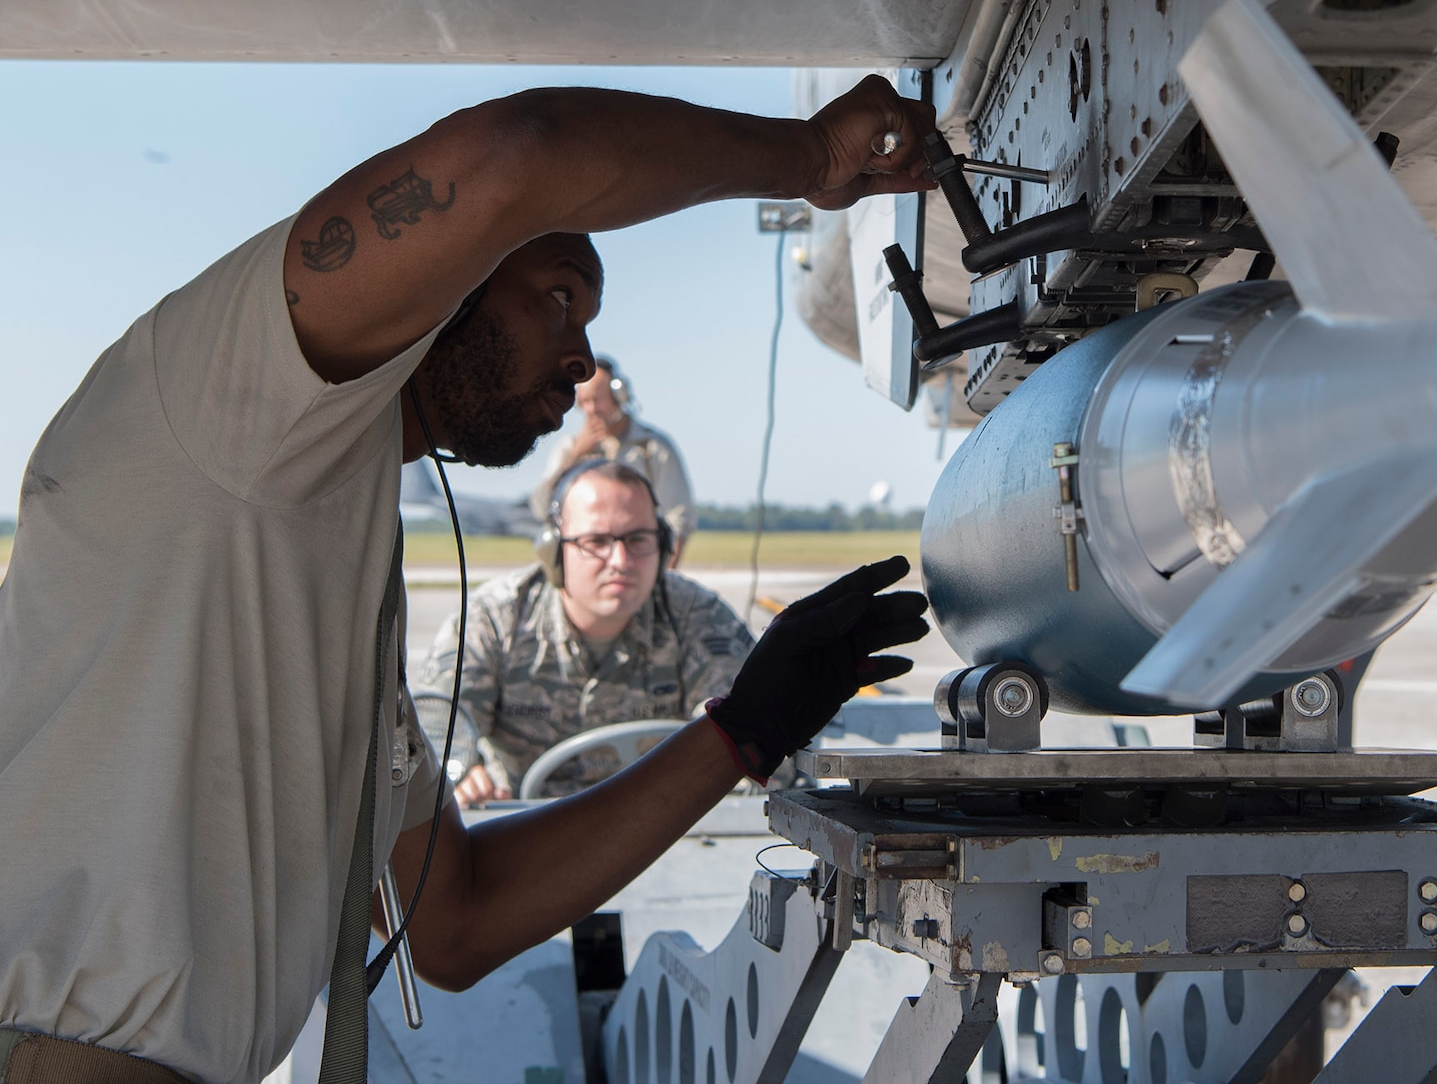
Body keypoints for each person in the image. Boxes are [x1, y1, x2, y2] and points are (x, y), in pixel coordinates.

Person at [0, 77, 935, 1084]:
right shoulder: (231, 399)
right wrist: (811, 157)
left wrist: (741, 730)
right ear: (443, 283)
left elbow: (455, 919)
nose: (583, 361)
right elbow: (518, 151)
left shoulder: (312, 553)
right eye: (561, 297)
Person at [419, 459, 750, 807]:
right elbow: (437, 728)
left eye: (638, 539)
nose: (620, 561)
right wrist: (458, 771)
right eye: (596, 541)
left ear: (663, 546)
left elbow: (742, 733)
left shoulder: (697, 616)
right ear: (554, 551)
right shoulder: (494, 620)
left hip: (664, 834)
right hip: (519, 830)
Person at [533, 358, 696, 565]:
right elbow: (541, 508)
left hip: (639, 563)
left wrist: (663, 577)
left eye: (597, 400)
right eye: (584, 402)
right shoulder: (569, 448)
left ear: (619, 396)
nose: (590, 410)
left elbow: (679, 517)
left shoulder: (653, 448)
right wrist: (574, 458)